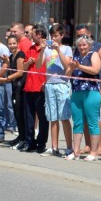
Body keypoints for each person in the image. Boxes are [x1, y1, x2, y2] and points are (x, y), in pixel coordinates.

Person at [36, 23, 73, 158]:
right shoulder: (46, 50)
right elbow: (39, 65)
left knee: (64, 117)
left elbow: (67, 65)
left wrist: (58, 50)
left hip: (62, 84)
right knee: (53, 117)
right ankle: (54, 147)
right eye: (52, 36)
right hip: (50, 84)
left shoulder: (67, 49)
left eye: (56, 36)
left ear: (62, 36)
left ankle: (69, 147)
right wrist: (42, 50)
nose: (54, 38)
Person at [67, 35, 101, 161]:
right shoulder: (75, 57)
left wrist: (79, 67)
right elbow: (67, 74)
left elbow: (95, 70)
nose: (82, 47)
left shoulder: (93, 55)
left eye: (84, 45)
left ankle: (94, 152)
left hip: (91, 92)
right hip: (77, 92)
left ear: (89, 45)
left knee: (92, 122)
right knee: (77, 122)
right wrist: (71, 68)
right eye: (80, 45)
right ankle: (75, 151)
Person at [74, 25, 101, 156]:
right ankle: (88, 145)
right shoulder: (77, 49)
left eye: (84, 35)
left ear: (89, 34)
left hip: (93, 87)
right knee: (84, 119)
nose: (81, 38)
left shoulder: (99, 48)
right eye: (78, 36)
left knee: (95, 119)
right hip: (79, 88)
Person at [22, 25, 50, 154]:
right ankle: (30, 141)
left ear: (39, 34)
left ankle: (41, 142)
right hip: (29, 86)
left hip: (41, 87)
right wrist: (28, 62)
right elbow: (24, 67)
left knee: (42, 117)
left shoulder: (48, 48)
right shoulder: (31, 48)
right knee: (29, 116)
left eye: (33, 33)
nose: (31, 35)